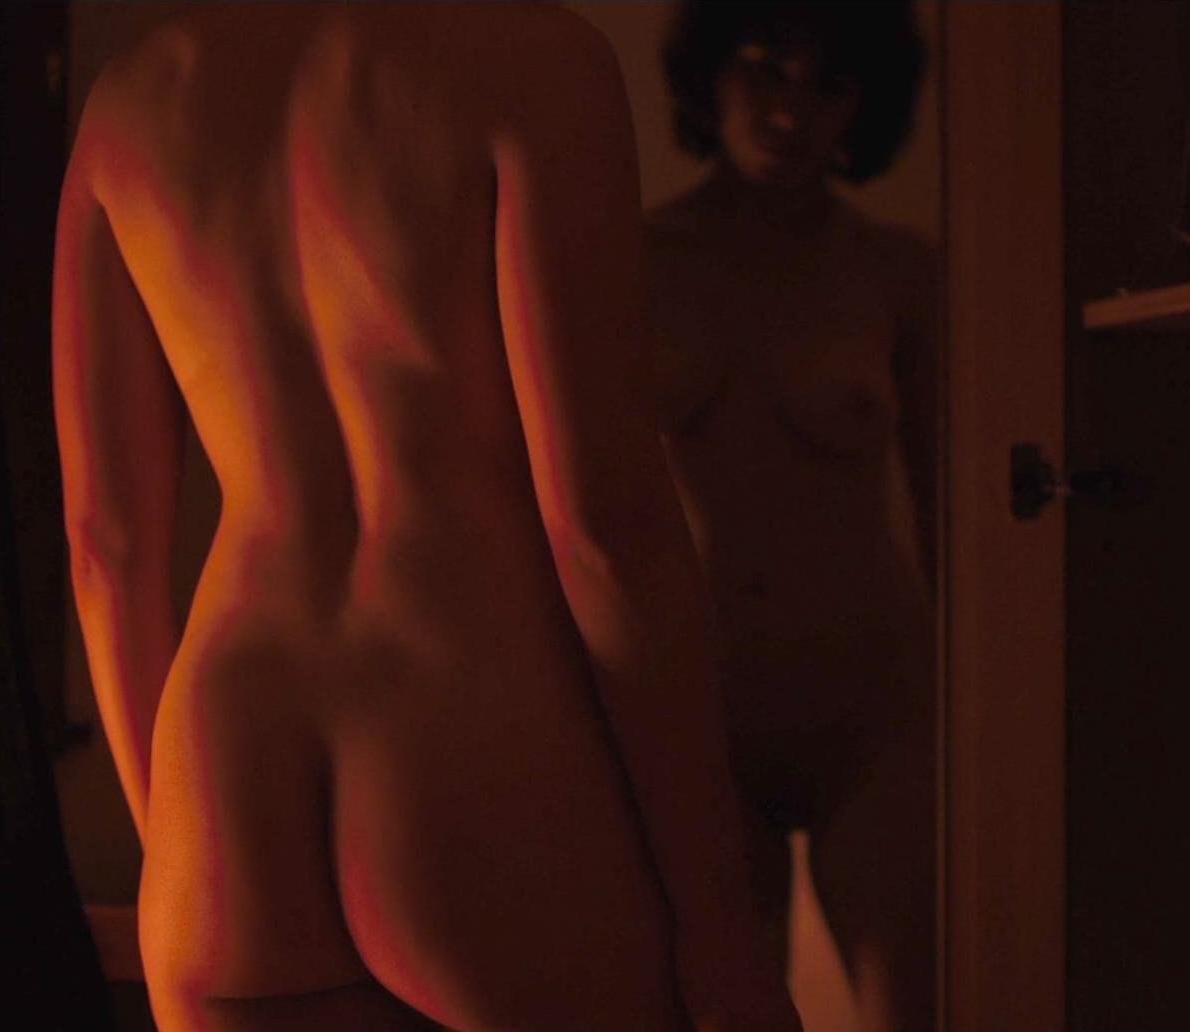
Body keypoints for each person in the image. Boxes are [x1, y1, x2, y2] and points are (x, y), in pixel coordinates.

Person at [51, 5, 799, 1031]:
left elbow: (105, 546)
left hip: (228, 765)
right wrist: (719, 919)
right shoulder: (535, 62)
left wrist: (183, 854)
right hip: (472, 750)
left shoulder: (130, 102)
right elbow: (603, 527)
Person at [645, 3, 936, 1028]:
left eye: (828, 83)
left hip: (874, 710)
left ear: (865, 101)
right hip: (701, 708)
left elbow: (962, 513)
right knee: (727, 1009)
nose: (789, 110)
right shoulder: (636, 261)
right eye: (764, 69)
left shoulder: (896, 272)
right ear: (711, 75)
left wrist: (982, 701)